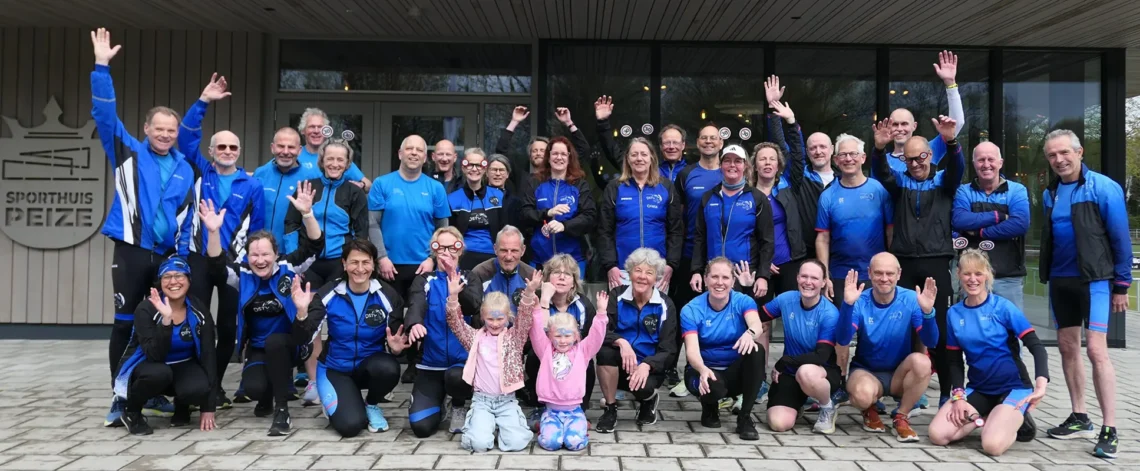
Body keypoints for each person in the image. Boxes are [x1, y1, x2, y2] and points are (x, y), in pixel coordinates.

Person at [91, 28, 192, 425]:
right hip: (132, 252)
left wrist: (180, 259)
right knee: (125, 325)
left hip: (165, 258)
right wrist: (101, 67)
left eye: (171, 130)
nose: (165, 134)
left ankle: (149, 393)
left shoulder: (185, 168)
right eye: (159, 128)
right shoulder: (128, 152)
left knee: (160, 324)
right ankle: (119, 398)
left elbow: (186, 219)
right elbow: (104, 115)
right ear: (146, 129)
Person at [1038, 129, 1131, 458]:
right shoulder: (1050, 193)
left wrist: (1122, 285)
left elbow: (1120, 237)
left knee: (1096, 350)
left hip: (1094, 281)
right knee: (1067, 348)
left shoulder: (1103, 187)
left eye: (1065, 152)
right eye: (1052, 155)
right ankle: (1080, 416)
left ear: (1079, 152)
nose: (1059, 159)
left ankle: (1110, 428)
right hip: (1061, 280)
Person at [202, 183, 322, 435]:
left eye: (266, 254)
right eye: (254, 255)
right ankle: (267, 397)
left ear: (276, 254)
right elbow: (216, 266)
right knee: (254, 389)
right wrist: (213, 232)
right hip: (258, 348)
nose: (260, 260)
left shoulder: (288, 267)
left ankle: (282, 412)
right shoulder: (242, 274)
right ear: (247, 257)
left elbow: (314, 246)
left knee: (276, 342)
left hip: (291, 344)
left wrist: (307, 214)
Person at [179, 73, 266, 408]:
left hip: (234, 264)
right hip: (199, 258)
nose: (227, 151)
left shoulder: (252, 185)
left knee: (229, 326)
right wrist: (203, 101)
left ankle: (215, 386)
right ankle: (201, 382)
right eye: (221, 147)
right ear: (211, 151)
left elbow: (258, 229)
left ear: (239, 152)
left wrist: (253, 262)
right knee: (201, 323)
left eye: (233, 147)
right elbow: (186, 137)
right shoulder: (201, 171)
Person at [871, 115, 964, 405]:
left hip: (936, 263)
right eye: (909, 159)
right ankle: (905, 390)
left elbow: (958, 168)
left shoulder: (943, 180)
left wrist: (952, 141)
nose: (915, 164)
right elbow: (882, 173)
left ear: (930, 155)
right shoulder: (900, 182)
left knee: (941, 330)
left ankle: (947, 393)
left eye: (921, 157)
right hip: (905, 264)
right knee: (903, 329)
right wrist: (878, 149)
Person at [928, 249, 1050, 457]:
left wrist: (1041, 384)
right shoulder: (954, 313)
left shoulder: (1003, 307)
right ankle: (985, 417)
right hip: (980, 389)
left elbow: (1036, 346)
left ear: (987, 275)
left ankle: (1012, 420)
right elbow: (954, 360)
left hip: (1013, 388)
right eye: (967, 273)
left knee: (992, 446)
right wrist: (958, 397)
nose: (972, 279)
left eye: (978, 273)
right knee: (938, 435)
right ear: (958, 274)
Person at [291, 239, 408, 437]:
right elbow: (302, 338)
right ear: (344, 264)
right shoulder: (328, 292)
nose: (360, 269)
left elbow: (396, 338)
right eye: (354, 262)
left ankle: (371, 404)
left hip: (369, 367)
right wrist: (302, 312)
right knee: (351, 426)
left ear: (373, 265)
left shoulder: (388, 295)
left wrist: (396, 349)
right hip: (335, 369)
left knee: (388, 368)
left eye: (365, 262)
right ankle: (341, 402)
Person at [815, 133, 894, 403]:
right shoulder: (828, 195)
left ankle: (876, 387)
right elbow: (822, 238)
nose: (848, 159)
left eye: (853, 154)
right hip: (840, 274)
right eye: (843, 155)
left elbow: (890, 231)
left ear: (862, 158)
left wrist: (890, 268)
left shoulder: (878, 190)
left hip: (875, 275)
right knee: (842, 334)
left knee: (875, 333)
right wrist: (825, 275)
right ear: (836, 160)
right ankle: (839, 384)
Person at [835, 253, 940, 442]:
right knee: (862, 396)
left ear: (899, 274)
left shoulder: (911, 299)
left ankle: (901, 416)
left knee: (922, 362)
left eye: (890, 273)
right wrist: (848, 305)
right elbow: (843, 339)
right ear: (869, 273)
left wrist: (928, 312)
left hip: (900, 373)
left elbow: (931, 341)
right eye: (878, 273)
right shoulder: (860, 299)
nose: (884, 278)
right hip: (867, 371)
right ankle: (869, 408)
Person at [112, 257, 217, 436]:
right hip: (147, 365)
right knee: (160, 373)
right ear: (160, 282)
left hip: (182, 363)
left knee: (199, 387)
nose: (173, 281)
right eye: (167, 277)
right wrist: (166, 321)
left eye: (179, 275)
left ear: (189, 280)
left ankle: (182, 406)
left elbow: (209, 355)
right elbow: (155, 355)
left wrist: (208, 407)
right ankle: (132, 411)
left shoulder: (198, 309)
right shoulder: (146, 309)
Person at [446, 272, 542, 452]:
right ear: (483, 316)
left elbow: (525, 318)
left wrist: (529, 293)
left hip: (507, 401)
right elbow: (456, 323)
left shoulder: (515, 338)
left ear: (508, 317)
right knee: (479, 445)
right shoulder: (474, 338)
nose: (495, 323)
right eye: (490, 319)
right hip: (482, 401)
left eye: (500, 319)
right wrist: (453, 296)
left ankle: (503, 428)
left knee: (516, 443)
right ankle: (483, 427)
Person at [404, 227, 484, 437]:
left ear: (460, 249)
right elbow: (416, 303)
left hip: (461, 363)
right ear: (434, 250)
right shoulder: (425, 279)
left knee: (455, 377)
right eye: (441, 248)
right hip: (430, 363)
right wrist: (415, 323)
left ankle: (458, 405)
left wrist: (452, 277)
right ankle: (438, 401)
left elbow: (472, 306)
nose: (447, 253)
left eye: (452, 247)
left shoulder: (471, 277)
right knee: (421, 427)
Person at [595, 248, 679, 433]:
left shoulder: (665, 305)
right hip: (621, 362)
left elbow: (669, 349)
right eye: (638, 270)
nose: (642, 277)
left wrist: (647, 365)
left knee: (643, 388)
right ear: (629, 273)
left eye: (649, 272)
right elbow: (600, 331)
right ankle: (610, 408)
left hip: (649, 367)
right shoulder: (616, 295)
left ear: (656, 278)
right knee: (604, 352)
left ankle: (649, 400)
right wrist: (622, 342)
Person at [682, 257, 766, 440]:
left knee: (757, 350)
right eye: (714, 277)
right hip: (704, 372)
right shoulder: (691, 309)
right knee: (714, 386)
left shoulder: (743, 301)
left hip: (734, 372)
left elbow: (756, 325)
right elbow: (692, 350)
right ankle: (709, 407)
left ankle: (745, 417)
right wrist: (702, 370)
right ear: (705, 280)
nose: (720, 282)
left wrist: (749, 334)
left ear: (733, 281)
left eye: (725, 277)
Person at [669, 123, 725, 394]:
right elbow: (677, 217)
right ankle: (681, 370)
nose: (709, 142)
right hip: (690, 254)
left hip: (722, 256)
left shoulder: (730, 171)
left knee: (719, 315)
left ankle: (718, 371)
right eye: (704, 138)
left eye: (714, 138)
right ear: (697, 143)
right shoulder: (686, 174)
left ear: (721, 143)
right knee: (686, 312)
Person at [754, 259, 840, 436]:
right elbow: (757, 315)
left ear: (824, 282)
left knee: (806, 372)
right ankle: (798, 403)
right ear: (797, 278)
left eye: (814, 278)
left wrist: (785, 361)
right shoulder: (786, 299)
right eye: (804, 276)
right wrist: (749, 289)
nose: (808, 282)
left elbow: (821, 356)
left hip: (821, 372)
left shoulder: (829, 313)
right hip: (790, 372)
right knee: (778, 423)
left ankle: (827, 407)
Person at [369, 134, 450, 300]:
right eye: (409, 148)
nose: (414, 153)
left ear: (425, 158)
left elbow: (443, 230)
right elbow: (372, 224)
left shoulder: (436, 188)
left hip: (424, 265)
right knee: (391, 315)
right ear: (400, 154)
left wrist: (432, 259)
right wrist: (381, 258)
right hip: (389, 266)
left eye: (419, 150)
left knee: (421, 315)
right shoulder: (381, 184)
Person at [522, 254, 598, 427]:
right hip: (545, 356)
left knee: (586, 361)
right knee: (536, 355)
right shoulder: (538, 299)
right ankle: (541, 406)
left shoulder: (583, 305)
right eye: (556, 273)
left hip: (573, 357)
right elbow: (539, 336)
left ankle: (579, 409)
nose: (562, 277)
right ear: (547, 278)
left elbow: (588, 341)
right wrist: (545, 299)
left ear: (574, 282)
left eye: (567, 274)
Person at [690, 144, 776, 298]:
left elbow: (767, 240)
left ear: (745, 165)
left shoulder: (758, 198)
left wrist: (763, 276)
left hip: (744, 273)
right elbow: (699, 238)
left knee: (744, 312)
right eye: (727, 161)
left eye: (737, 161)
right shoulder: (708, 197)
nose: (732, 165)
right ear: (721, 165)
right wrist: (696, 271)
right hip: (714, 273)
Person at [597, 137, 683, 291]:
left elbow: (675, 230)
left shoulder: (666, 187)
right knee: (623, 307)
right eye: (634, 154)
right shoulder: (614, 188)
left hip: (657, 269)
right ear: (627, 159)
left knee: (655, 307)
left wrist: (671, 264)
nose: (639, 158)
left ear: (652, 158)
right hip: (622, 269)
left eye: (644, 154)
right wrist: (610, 265)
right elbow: (604, 231)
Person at [531, 286, 610, 451]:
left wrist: (601, 314)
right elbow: (536, 332)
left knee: (574, 443)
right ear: (549, 336)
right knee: (550, 443)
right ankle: (544, 425)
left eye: (567, 336)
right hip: (551, 412)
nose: (562, 341)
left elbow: (596, 337)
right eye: (558, 336)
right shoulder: (545, 350)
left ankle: (580, 426)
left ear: (576, 336)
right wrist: (537, 310)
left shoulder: (583, 351)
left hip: (574, 411)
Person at [952, 142, 1030, 310]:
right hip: (972, 277)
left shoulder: (1016, 190)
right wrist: (999, 216)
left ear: (1000, 163)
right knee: (972, 325)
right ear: (974, 164)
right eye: (981, 160)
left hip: (1008, 276)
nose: (986, 164)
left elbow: (1019, 224)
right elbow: (959, 220)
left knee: (1011, 325)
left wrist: (979, 232)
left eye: (991, 159)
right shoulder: (964, 191)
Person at [283, 138, 369, 290]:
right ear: (322, 161)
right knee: (308, 303)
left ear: (347, 164)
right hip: (307, 262)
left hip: (339, 263)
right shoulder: (307, 187)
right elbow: (291, 224)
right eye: (330, 159)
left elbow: (361, 233)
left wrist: (353, 263)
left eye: (340, 160)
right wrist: (294, 260)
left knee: (335, 304)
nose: (335, 164)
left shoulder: (355, 193)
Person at [873, 51, 965, 177]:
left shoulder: (928, 149)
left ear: (914, 126)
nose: (899, 129)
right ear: (889, 128)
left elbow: (956, 124)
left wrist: (951, 84)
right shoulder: (881, 160)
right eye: (895, 124)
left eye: (904, 124)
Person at [519, 136, 597, 275]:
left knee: (570, 290)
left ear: (569, 157)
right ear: (548, 157)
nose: (559, 157)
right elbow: (525, 214)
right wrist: (547, 213)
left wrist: (564, 226)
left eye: (563, 154)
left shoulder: (580, 184)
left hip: (573, 259)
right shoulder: (535, 182)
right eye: (555, 153)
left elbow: (589, 217)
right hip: (539, 259)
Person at [593, 96, 689, 181]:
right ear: (661, 146)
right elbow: (613, 153)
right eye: (667, 143)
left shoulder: (692, 172)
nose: (671, 147)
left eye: (675, 142)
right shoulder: (645, 168)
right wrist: (603, 122)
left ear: (683, 145)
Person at [496, 106, 592, 191]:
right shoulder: (521, 178)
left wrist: (569, 122)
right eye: (534, 151)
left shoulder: (560, 176)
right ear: (530, 155)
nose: (538, 153)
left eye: (542, 150)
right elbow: (501, 152)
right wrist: (514, 122)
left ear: (550, 155)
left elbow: (584, 149)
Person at [253, 127, 320, 244]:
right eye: (281, 146)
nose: (285, 152)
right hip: (261, 249)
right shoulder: (260, 173)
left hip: (294, 250)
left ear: (299, 150)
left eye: (291, 147)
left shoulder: (312, 178)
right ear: (272, 148)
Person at [449, 148, 505, 270]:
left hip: (493, 255)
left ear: (485, 169)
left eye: (479, 165)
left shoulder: (498, 196)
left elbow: (505, 229)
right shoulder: (453, 199)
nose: (474, 169)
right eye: (469, 165)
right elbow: (450, 233)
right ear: (463, 168)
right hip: (464, 255)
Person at [296, 107, 370, 191]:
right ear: (302, 130)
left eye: (320, 127)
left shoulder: (337, 158)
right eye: (312, 127)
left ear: (327, 130)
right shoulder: (295, 155)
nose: (316, 131)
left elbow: (368, 185)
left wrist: (360, 185)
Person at [471, 226, 537, 309]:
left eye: (514, 251)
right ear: (495, 249)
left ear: (523, 250)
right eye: (504, 250)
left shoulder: (532, 276)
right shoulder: (480, 273)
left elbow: (539, 313)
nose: (509, 257)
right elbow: (473, 312)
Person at [487, 154, 524, 229]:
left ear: (507, 174)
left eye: (501, 170)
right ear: (486, 173)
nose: (498, 174)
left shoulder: (515, 202)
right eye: (494, 170)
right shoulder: (477, 198)